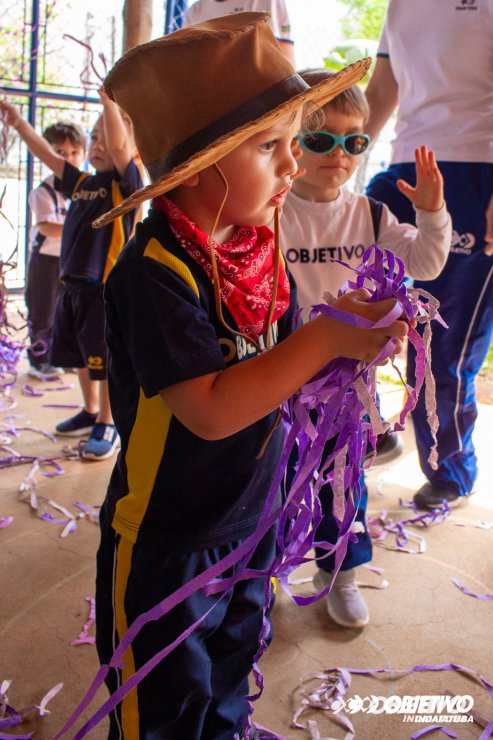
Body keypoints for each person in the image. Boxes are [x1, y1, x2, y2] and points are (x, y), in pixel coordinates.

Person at [92, 13, 409, 738]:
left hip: (253, 514)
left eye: (294, 143)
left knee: (232, 674)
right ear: (199, 165)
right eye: (271, 146)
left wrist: (349, 337)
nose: (294, 165)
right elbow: (209, 409)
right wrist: (327, 335)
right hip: (170, 537)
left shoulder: (259, 245)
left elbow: (283, 366)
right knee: (164, 704)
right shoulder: (155, 272)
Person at [279, 68, 451, 628]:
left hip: (346, 386)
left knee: (342, 482)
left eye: (354, 141)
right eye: (321, 139)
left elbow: (426, 263)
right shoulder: (271, 213)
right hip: (278, 377)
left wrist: (431, 212)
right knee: (273, 482)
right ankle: (265, 574)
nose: (340, 154)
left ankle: (341, 573)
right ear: (290, 141)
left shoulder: (371, 214)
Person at [364, 0, 493, 510]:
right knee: (346, 305)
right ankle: (370, 427)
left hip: (474, 171)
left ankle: (450, 470)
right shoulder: (401, 5)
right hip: (403, 167)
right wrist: (337, 156)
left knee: (442, 345)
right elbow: (380, 92)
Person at [0, 92, 143, 461]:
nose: (99, 144)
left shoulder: (127, 185)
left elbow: (120, 146)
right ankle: (90, 411)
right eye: (93, 137)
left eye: (106, 137)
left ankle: (108, 422)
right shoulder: (80, 183)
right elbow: (46, 155)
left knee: (104, 361)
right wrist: (18, 123)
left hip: (102, 291)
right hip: (71, 288)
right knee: (80, 357)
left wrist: (110, 104)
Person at [25, 121, 86, 379]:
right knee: (43, 310)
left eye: (74, 153)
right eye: (60, 153)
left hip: (73, 261)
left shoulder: (87, 190)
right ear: (48, 154)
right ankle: (40, 360)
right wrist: (81, 225)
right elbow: (47, 227)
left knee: (69, 311)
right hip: (46, 262)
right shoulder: (43, 192)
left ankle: (65, 356)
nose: (68, 159)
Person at [182, 0, 295, 64]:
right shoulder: (195, 10)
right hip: (211, 86)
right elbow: (187, 59)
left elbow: (282, 51)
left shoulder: (267, 1)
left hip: (258, 86)